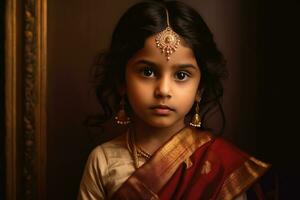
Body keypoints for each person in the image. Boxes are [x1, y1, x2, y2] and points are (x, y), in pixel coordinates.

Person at [78, 0, 270, 199]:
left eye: (181, 75)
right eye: (148, 71)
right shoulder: (104, 161)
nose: (163, 90)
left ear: (200, 89)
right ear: (121, 82)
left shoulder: (221, 168)